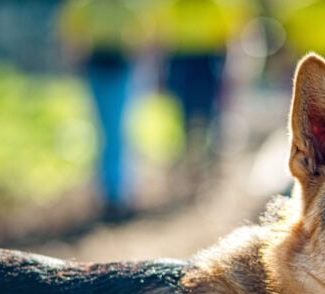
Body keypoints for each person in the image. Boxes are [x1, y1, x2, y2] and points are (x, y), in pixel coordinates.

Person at [58, 0, 148, 221]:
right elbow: (72, 39)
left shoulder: (127, 8)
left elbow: (144, 41)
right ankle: (110, 193)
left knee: (115, 132)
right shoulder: (85, 7)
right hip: (100, 67)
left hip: (118, 68)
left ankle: (118, 193)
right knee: (107, 131)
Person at [151, 0, 256, 172]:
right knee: (181, 113)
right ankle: (183, 158)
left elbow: (227, 43)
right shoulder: (174, 7)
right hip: (181, 62)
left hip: (206, 63)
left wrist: (228, 74)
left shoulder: (215, 7)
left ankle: (209, 160)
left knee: (209, 114)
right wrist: (160, 73)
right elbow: (161, 42)